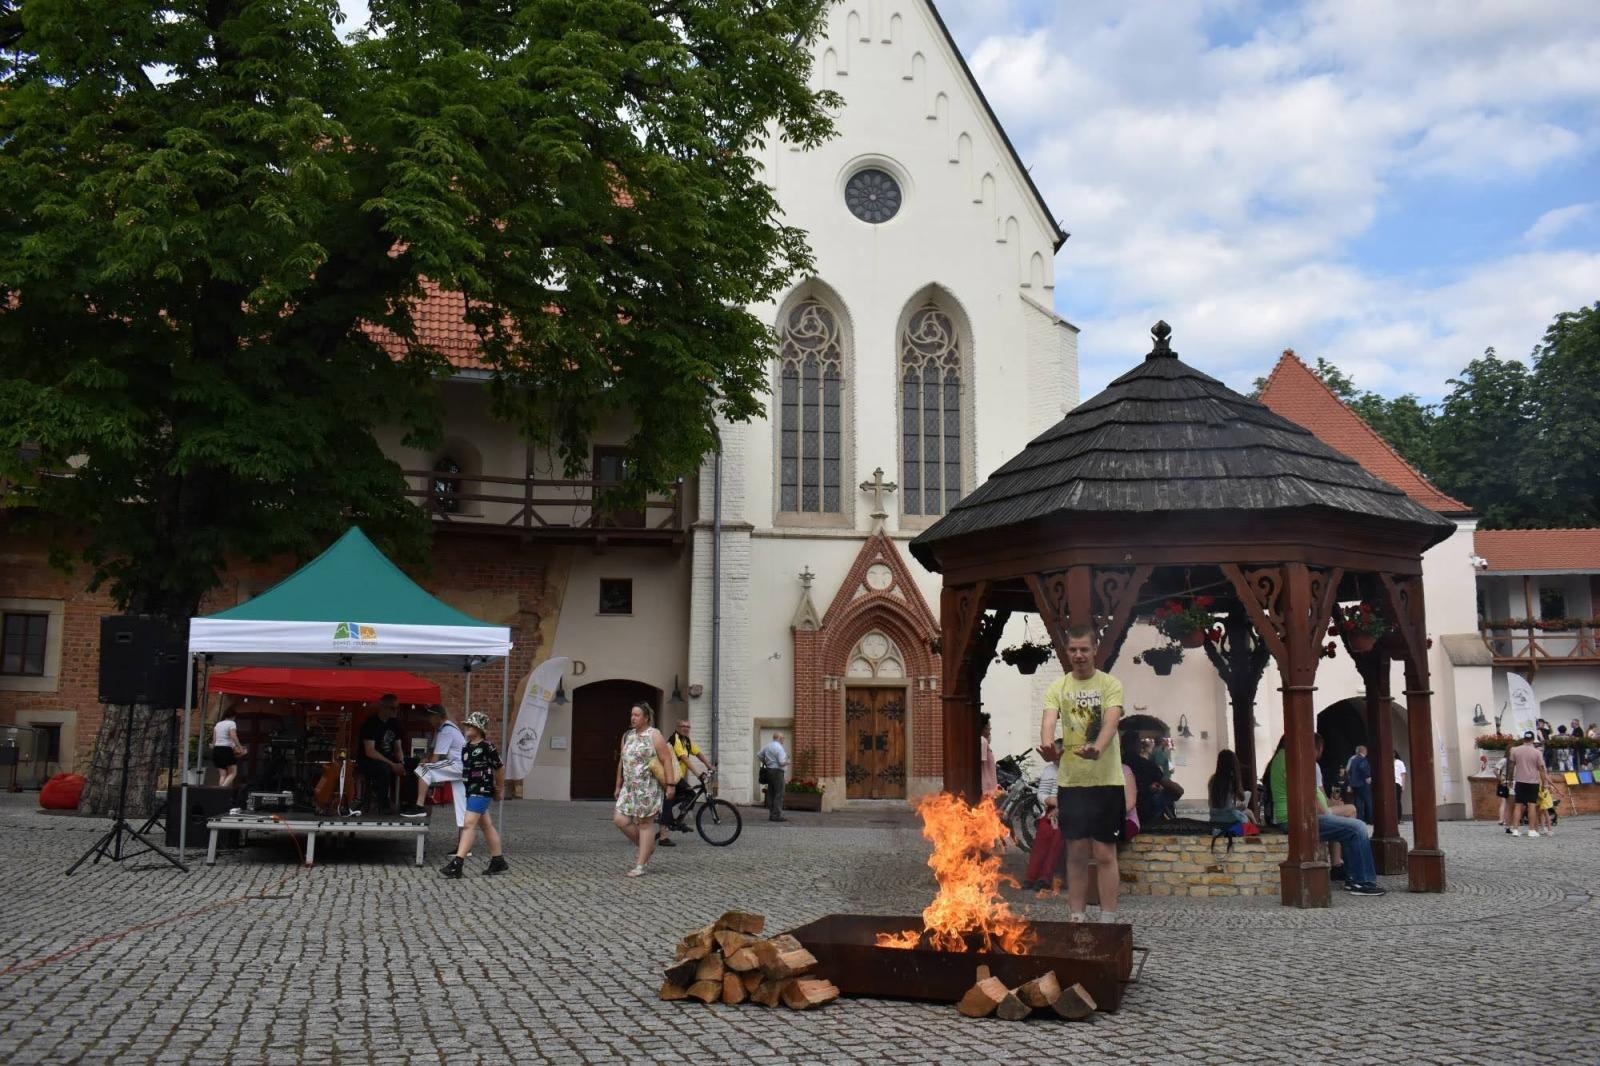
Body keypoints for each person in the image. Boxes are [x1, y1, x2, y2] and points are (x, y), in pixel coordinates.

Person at [1039, 625, 1125, 924]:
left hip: (1106, 781)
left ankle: (1108, 917)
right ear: (1067, 651)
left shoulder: (1109, 684)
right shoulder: (1058, 687)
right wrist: (1048, 746)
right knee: (1075, 852)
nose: (1078, 655)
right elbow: (1049, 721)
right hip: (1072, 782)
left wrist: (1098, 749)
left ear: (1094, 649)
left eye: (1084, 649)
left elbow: (1111, 723)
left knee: (1103, 852)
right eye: (1073, 649)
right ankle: (1076, 916)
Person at [612, 701, 677, 877]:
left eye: (637, 715)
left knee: (645, 823)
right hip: (629, 787)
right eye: (632, 714)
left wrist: (670, 785)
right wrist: (618, 784)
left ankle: (640, 865)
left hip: (648, 786)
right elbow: (622, 761)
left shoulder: (654, 735)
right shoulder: (627, 736)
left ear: (646, 717)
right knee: (620, 819)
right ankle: (647, 847)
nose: (633, 718)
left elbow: (666, 760)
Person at [441, 712, 508, 878]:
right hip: (470, 790)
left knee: (468, 824)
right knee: (486, 825)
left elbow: (499, 768)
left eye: (470, 726)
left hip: (482, 790)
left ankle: (458, 863)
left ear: (478, 729)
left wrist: (499, 788)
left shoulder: (488, 747)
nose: (466, 729)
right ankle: (498, 860)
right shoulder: (466, 746)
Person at [400, 704, 466, 829]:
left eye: (430, 716)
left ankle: (419, 807)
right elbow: (433, 752)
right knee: (462, 807)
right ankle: (463, 847)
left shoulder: (446, 730)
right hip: (460, 765)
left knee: (424, 770)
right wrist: (426, 759)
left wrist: (425, 762)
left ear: (438, 717)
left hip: (458, 765)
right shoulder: (444, 728)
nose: (428, 719)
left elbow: (435, 758)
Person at [656, 717, 716, 848]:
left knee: (689, 795)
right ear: (678, 728)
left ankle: (674, 818)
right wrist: (698, 773)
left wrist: (709, 766)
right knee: (671, 801)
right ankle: (663, 836)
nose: (686, 729)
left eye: (688, 727)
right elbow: (684, 759)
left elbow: (698, 753)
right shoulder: (675, 740)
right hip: (670, 776)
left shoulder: (686, 741)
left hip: (677, 777)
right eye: (683, 726)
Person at [358, 694, 406, 815]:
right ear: (383, 707)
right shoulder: (371, 724)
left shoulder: (395, 724)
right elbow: (370, 751)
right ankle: (383, 804)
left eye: (396, 708)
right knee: (384, 769)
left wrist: (401, 762)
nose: (395, 711)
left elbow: (398, 747)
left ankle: (407, 802)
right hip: (368, 761)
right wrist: (392, 764)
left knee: (411, 765)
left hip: (389, 759)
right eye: (392, 708)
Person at [1124, 733, 1181, 825]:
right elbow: (1159, 770)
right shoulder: (1147, 761)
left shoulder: (1121, 763)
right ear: (1137, 745)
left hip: (1128, 803)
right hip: (1144, 806)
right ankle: (1169, 822)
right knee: (1168, 794)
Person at [1507, 731, 1548, 837]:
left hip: (1520, 780)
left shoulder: (1515, 750)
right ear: (1533, 740)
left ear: (1523, 739)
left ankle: (1515, 829)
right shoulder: (1537, 752)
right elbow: (1541, 769)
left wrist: (1510, 779)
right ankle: (1531, 830)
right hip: (1533, 781)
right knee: (1532, 805)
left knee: (1518, 805)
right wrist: (1544, 783)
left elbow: (1511, 766)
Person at [1207, 749, 1252, 831]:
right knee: (1251, 824)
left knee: (1248, 813)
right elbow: (1242, 797)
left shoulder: (1212, 779)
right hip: (1231, 822)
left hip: (1214, 819)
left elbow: (1214, 803)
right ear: (1234, 764)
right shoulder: (1232, 779)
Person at [758, 732, 789, 822]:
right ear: (779, 738)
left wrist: (766, 762)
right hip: (777, 772)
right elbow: (781, 763)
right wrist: (788, 762)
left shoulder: (768, 746)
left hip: (769, 771)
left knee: (771, 793)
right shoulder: (779, 748)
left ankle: (772, 814)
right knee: (779, 793)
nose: (783, 739)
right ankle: (776, 815)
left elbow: (759, 755)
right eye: (783, 737)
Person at [212, 709, 246, 789]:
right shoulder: (232, 723)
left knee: (223, 774)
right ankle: (221, 790)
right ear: (233, 716)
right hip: (226, 749)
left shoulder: (218, 724)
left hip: (217, 749)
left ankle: (220, 792)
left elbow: (214, 740)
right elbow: (233, 736)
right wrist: (240, 748)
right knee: (233, 772)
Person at [1345, 744, 1374, 825]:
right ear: (1364, 751)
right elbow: (1363, 768)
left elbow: (1349, 771)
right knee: (1368, 801)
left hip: (1355, 784)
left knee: (1358, 802)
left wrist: (1350, 783)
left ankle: (1360, 819)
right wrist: (1367, 777)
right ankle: (1370, 820)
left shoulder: (1353, 760)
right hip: (1363, 783)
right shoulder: (1362, 759)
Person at [979, 714, 998, 797]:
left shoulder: (983, 741)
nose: (990, 729)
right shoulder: (982, 741)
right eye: (989, 726)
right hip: (986, 787)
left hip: (987, 786)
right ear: (984, 727)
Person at [1393, 753, 1407, 821]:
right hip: (1389, 783)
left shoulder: (1399, 762)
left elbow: (1403, 775)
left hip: (1397, 783)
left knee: (1397, 800)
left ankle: (1398, 818)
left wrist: (1403, 786)